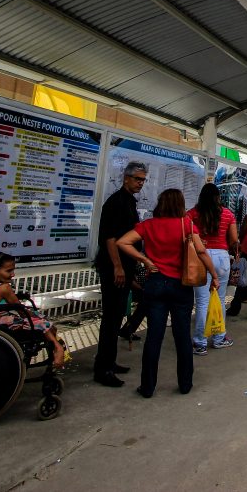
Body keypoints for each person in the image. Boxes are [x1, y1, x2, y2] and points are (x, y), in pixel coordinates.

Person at [116, 189, 217, 398]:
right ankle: (185, 383)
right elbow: (201, 252)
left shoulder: (149, 225)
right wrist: (214, 275)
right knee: (182, 336)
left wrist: (144, 260)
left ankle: (147, 387)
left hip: (155, 285)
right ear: (180, 204)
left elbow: (122, 242)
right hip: (181, 286)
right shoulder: (186, 224)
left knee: (154, 336)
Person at [93, 161, 145, 387]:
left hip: (125, 268)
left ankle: (109, 361)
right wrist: (117, 267)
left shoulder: (129, 202)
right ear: (126, 178)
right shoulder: (116, 203)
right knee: (111, 318)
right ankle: (103, 369)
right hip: (114, 268)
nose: (140, 183)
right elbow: (110, 238)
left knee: (116, 318)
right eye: (137, 179)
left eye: (143, 180)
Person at [0, 252, 65, 368]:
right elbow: (21, 310)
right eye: (9, 271)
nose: (13, 274)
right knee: (42, 322)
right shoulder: (4, 288)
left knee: (38, 320)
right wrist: (37, 315)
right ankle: (57, 348)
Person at [187, 183, 238, 355]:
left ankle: (200, 343)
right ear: (218, 197)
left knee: (202, 302)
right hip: (222, 257)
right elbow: (234, 239)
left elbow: (187, 235)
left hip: (200, 256)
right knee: (220, 298)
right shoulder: (228, 214)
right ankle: (219, 338)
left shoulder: (193, 214)